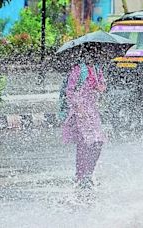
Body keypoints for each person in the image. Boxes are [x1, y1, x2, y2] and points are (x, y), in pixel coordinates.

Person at [61, 54, 106, 189]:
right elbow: (69, 92)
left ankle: (88, 173)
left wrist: (100, 88)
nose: (91, 56)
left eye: (95, 52)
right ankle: (81, 176)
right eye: (89, 52)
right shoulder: (77, 71)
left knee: (98, 142)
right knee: (83, 146)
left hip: (93, 113)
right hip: (80, 114)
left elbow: (103, 86)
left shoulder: (97, 70)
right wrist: (78, 107)